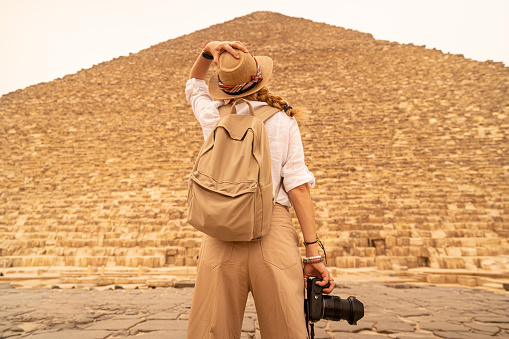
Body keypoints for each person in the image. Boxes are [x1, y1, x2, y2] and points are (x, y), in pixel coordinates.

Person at [185, 41, 334, 339]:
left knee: (211, 330)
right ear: (259, 76)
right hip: (272, 232)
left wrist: (208, 50)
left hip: (221, 230)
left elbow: (194, 84)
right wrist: (312, 255)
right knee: (286, 331)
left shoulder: (213, 116)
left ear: (225, 87)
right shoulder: (283, 119)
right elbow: (298, 188)